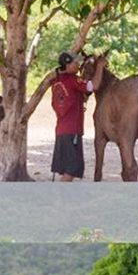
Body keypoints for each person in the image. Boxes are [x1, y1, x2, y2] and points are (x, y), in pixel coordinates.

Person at [50, 52, 95, 182]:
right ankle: (59, 197)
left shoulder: (57, 81)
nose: (78, 65)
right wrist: (100, 69)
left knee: (67, 168)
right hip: (72, 130)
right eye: (75, 63)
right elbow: (92, 86)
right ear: (68, 65)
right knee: (72, 168)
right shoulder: (73, 80)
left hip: (61, 130)